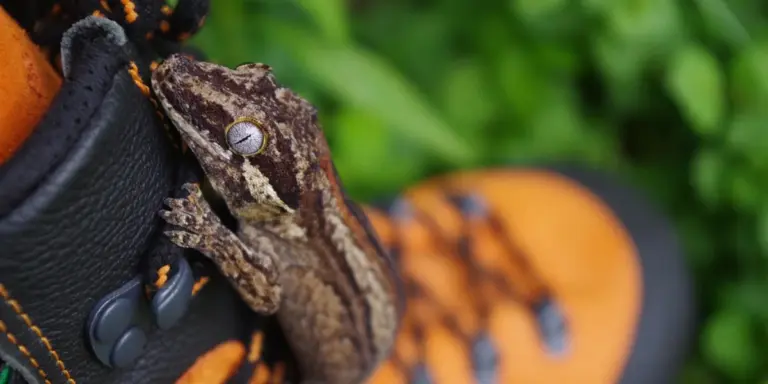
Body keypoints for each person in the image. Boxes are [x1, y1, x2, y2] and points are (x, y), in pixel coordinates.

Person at [0, 2, 695, 383]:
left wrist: (211, 237)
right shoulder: (279, 213)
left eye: (241, 142)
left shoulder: (282, 230)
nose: (192, 78)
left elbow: (270, 287)